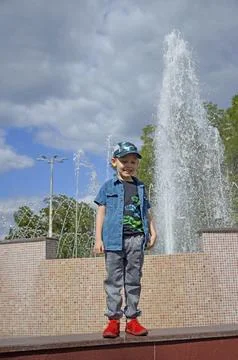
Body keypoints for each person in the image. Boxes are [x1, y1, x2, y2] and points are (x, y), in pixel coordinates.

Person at [94, 141, 157, 338]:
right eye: (124, 161)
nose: (129, 165)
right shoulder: (108, 186)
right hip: (113, 240)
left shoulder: (140, 187)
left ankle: (132, 320)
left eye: (132, 162)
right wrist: (98, 238)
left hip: (136, 239)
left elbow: (146, 210)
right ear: (114, 162)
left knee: (133, 280)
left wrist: (153, 231)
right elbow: (101, 212)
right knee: (113, 281)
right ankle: (113, 321)